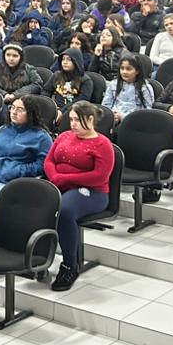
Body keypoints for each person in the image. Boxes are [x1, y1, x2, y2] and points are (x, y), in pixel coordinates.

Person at [43, 101, 115, 292]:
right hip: (60, 184)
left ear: (90, 120)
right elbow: (49, 160)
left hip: (92, 192)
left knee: (64, 211)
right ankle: (40, 259)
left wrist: (64, 178)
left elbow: (99, 176)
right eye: (71, 119)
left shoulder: (102, 144)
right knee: (36, 203)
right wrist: (55, 177)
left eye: (77, 120)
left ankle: (69, 265)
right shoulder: (65, 136)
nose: (72, 124)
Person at [0, 95, 51, 225]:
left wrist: (17, 171)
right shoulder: (2, 130)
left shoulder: (41, 137)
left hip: (12, 180)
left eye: (19, 109)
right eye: (12, 108)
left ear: (30, 113)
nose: (13, 112)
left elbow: (42, 165)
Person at [0, 43, 43, 119]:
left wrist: (15, 95)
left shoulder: (28, 68)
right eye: (8, 55)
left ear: (21, 57)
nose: (11, 58)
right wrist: (4, 94)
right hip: (3, 101)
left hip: (23, 102)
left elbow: (37, 84)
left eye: (15, 56)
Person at [101, 55, 155, 126]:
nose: (124, 72)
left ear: (137, 71)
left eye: (128, 69)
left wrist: (123, 116)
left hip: (134, 121)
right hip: (113, 118)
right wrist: (111, 115)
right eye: (122, 68)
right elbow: (106, 104)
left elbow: (147, 111)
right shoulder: (113, 84)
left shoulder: (145, 88)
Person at [45, 49, 92, 126]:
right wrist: (49, 105)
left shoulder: (86, 80)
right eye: (63, 59)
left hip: (73, 112)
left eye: (69, 59)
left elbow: (82, 100)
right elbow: (46, 90)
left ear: (76, 61)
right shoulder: (57, 75)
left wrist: (62, 111)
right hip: (55, 108)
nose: (65, 62)